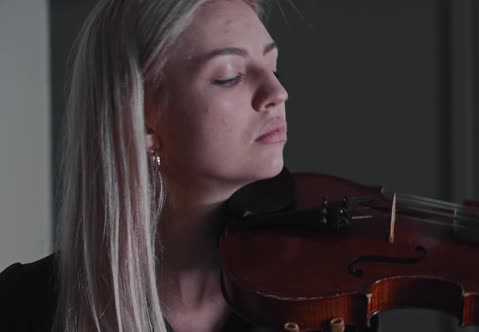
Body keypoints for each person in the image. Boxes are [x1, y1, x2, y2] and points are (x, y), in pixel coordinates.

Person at [0, 0, 288, 331]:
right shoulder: (19, 307)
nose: (277, 92)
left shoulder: (331, 294)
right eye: (230, 76)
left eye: (274, 68)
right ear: (142, 117)